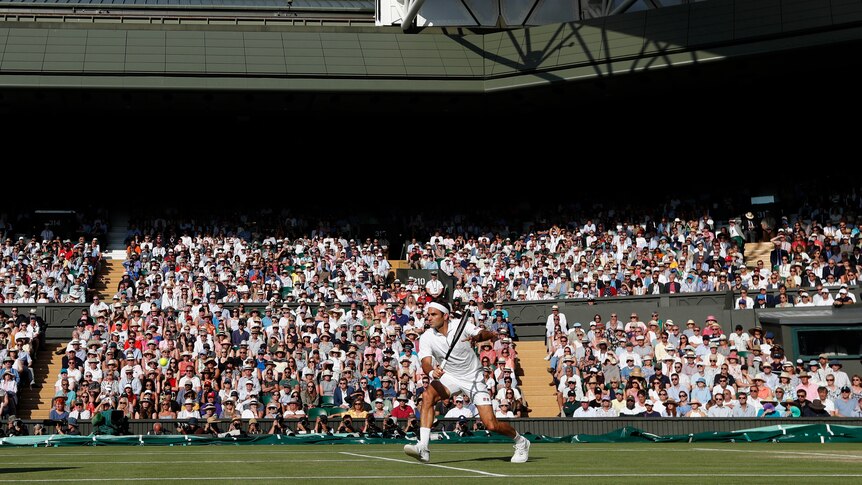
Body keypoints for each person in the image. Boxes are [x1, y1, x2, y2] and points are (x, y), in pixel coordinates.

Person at [404, 302, 529, 464]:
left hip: (473, 379)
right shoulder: (427, 336)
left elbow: (486, 334)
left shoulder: (460, 325)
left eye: (433, 314)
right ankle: (423, 447)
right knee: (427, 396)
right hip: (450, 377)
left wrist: (477, 338)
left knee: (491, 425)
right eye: (428, 314)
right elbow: (426, 362)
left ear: (445, 316)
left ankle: (521, 441)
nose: (429, 318)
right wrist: (430, 372)